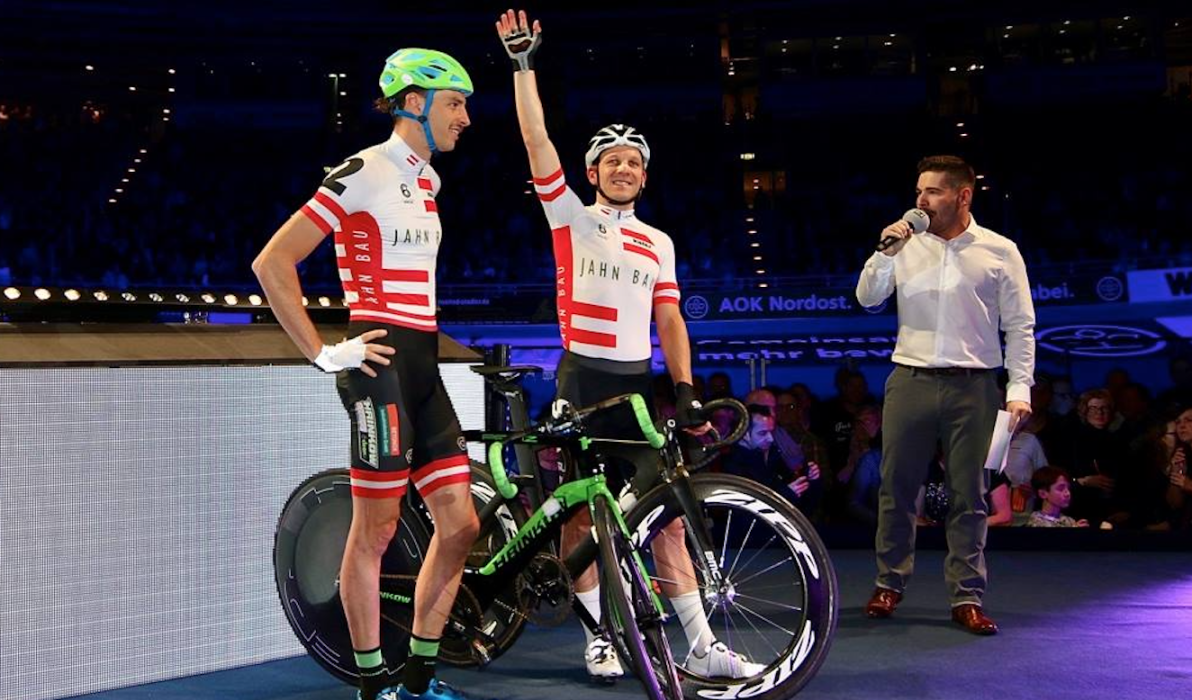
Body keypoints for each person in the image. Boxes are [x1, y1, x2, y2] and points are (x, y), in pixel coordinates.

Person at [495, 9, 762, 681]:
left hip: (636, 384)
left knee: (667, 517)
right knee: (582, 518)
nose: (623, 167)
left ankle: (701, 644)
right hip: (581, 379)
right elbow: (535, 140)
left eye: (633, 162)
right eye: (611, 160)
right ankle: (598, 638)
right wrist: (523, 67)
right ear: (592, 172)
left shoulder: (659, 241)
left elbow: (670, 319)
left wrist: (685, 388)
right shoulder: (570, 218)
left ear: (645, 176)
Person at [253, 48, 480, 700]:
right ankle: (372, 683)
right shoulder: (364, 170)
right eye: (455, 103)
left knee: (461, 525)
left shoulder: (429, 182)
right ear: (414, 103)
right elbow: (272, 263)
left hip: (423, 362)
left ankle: (419, 676)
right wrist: (323, 353)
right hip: (378, 363)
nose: (465, 118)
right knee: (377, 529)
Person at [856, 155, 1036, 636]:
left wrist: (1019, 388)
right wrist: (886, 251)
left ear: (963, 196)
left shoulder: (1000, 250)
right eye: (919, 191)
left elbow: (1020, 326)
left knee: (969, 494)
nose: (921, 200)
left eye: (932, 192)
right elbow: (867, 297)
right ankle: (889, 583)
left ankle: (966, 596)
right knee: (896, 488)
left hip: (974, 385)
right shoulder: (905, 245)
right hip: (910, 378)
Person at [722, 408, 822, 505]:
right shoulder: (732, 466)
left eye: (771, 432)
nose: (771, 438)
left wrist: (811, 479)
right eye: (763, 433)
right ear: (744, 434)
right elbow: (746, 509)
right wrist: (786, 495)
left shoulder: (771, 456)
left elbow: (804, 503)